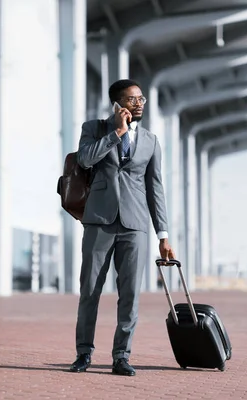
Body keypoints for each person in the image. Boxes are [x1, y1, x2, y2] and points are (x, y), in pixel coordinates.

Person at [69, 79, 175, 376]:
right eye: (132, 99)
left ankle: (121, 356)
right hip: (99, 222)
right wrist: (117, 131)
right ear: (117, 104)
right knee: (90, 291)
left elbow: (156, 189)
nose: (140, 103)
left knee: (130, 295)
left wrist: (163, 235)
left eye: (141, 98)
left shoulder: (151, 141)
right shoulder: (94, 128)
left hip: (135, 225)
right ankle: (83, 353)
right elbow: (85, 160)